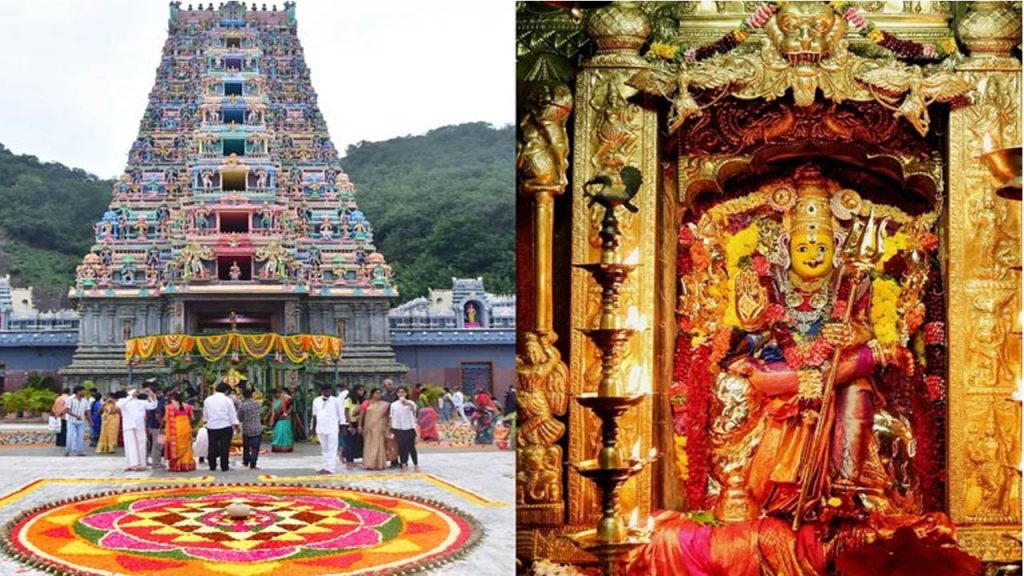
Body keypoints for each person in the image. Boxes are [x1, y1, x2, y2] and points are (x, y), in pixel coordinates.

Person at [118, 389, 158, 471]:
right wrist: (130, 397)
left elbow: (153, 405)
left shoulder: (141, 402)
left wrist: (151, 394)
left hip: (139, 426)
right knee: (130, 446)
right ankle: (131, 464)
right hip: (128, 426)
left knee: (141, 445)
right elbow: (119, 405)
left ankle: (141, 464)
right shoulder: (123, 401)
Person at [203, 382, 239, 472]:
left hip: (211, 426)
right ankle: (224, 466)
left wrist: (207, 421)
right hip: (225, 426)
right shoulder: (227, 400)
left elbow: (205, 414)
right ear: (226, 391)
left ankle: (212, 465)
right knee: (224, 446)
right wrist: (236, 425)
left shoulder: (208, 400)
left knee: (212, 446)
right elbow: (232, 414)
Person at [312, 385, 345, 474]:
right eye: (325, 390)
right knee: (324, 448)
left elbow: (341, 414)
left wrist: (343, 426)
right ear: (322, 391)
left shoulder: (336, 401)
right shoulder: (316, 400)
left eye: (329, 390)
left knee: (332, 448)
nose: (327, 392)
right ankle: (325, 466)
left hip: (332, 428)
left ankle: (331, 468)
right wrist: (313, 428)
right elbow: (314, 415)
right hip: (320, 428)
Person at [163, 392, 196, 472]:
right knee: (187, 447)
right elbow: (192, 418)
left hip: (175, 429)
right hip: (186, 428)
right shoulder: (188, 406)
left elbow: (166, 419)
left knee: (176, 446)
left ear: (172, 398)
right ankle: (186, 465)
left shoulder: (169, 407)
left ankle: (177, 465)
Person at [359, 388, 390, 470]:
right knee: (369, 445)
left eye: (380, 393)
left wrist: (387, 426)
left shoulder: (384, 404)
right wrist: (359, 426)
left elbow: (387, 416)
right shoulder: (366, 403)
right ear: (372, 394)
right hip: (368, 426)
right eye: (376, 393)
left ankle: (379, 464)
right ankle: (369, 464)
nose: (378, 395)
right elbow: (361, 415)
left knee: (378, 444)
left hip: (379, 426)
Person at [390, 386, 419, 470]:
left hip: (409, 427)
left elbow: (414, 409)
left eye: (403, 392)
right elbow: (391, 416)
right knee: (401, 446)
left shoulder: (411, 403)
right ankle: (403, 463)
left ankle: (415, 464)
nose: (401, 394)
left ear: (406, 393)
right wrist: (391, 428)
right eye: (399, 392)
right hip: (398, 428)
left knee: (411, 447)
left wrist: (406, 403)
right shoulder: (394, 404)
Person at [237, 388, 263, 469]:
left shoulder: (242, 406)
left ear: (243, 396)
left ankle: (246, 461)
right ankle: (253, 463)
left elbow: (239, 418)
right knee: (255, 448)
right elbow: (260, 414)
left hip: (247, 429)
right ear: (252, 395)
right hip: (257, 428)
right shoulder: (258, 404)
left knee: (246, 447)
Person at [342, 384, 365, 467]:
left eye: (362, 390)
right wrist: (350, 425)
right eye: (360, 390)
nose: (361, 392)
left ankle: (351, 457)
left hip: (357, 422)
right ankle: (349, 460)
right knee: (349, 442)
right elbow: (346, 411)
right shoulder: (349, 399)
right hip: (349, 422)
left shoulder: (360, 400)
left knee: (356, 442)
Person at [145, 384, 167, 468]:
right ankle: (156, 462)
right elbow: (158, 414)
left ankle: (153, 461)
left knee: (153, 444)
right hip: (159, 427)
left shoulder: (150, 401)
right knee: (158, 445)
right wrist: (162, 424)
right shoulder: (160, 401)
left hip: (151, 425)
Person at [64, 386, 89, 457]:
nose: (84, 392)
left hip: (81, 421)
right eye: (83, 391)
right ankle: (67, 450)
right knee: (70, 435)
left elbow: (88, 411)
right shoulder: (70, 399)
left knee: (80, 437)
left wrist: (90, 421)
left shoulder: (84, 400)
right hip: (71, 421)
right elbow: (67, 410)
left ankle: (79, 451)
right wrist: (76, 416)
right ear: (78, 391)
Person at [269, 388, 294, 452]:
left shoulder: (286, 398)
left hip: (285, 419)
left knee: (285, 433)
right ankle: (277, 446)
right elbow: (273, 410)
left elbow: (291, 407)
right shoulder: (275, 400)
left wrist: (285, 414)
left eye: (276, 394)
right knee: (277, 432)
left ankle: (286, 447)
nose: (275, 396)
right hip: (277, 419)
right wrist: (271, 419)